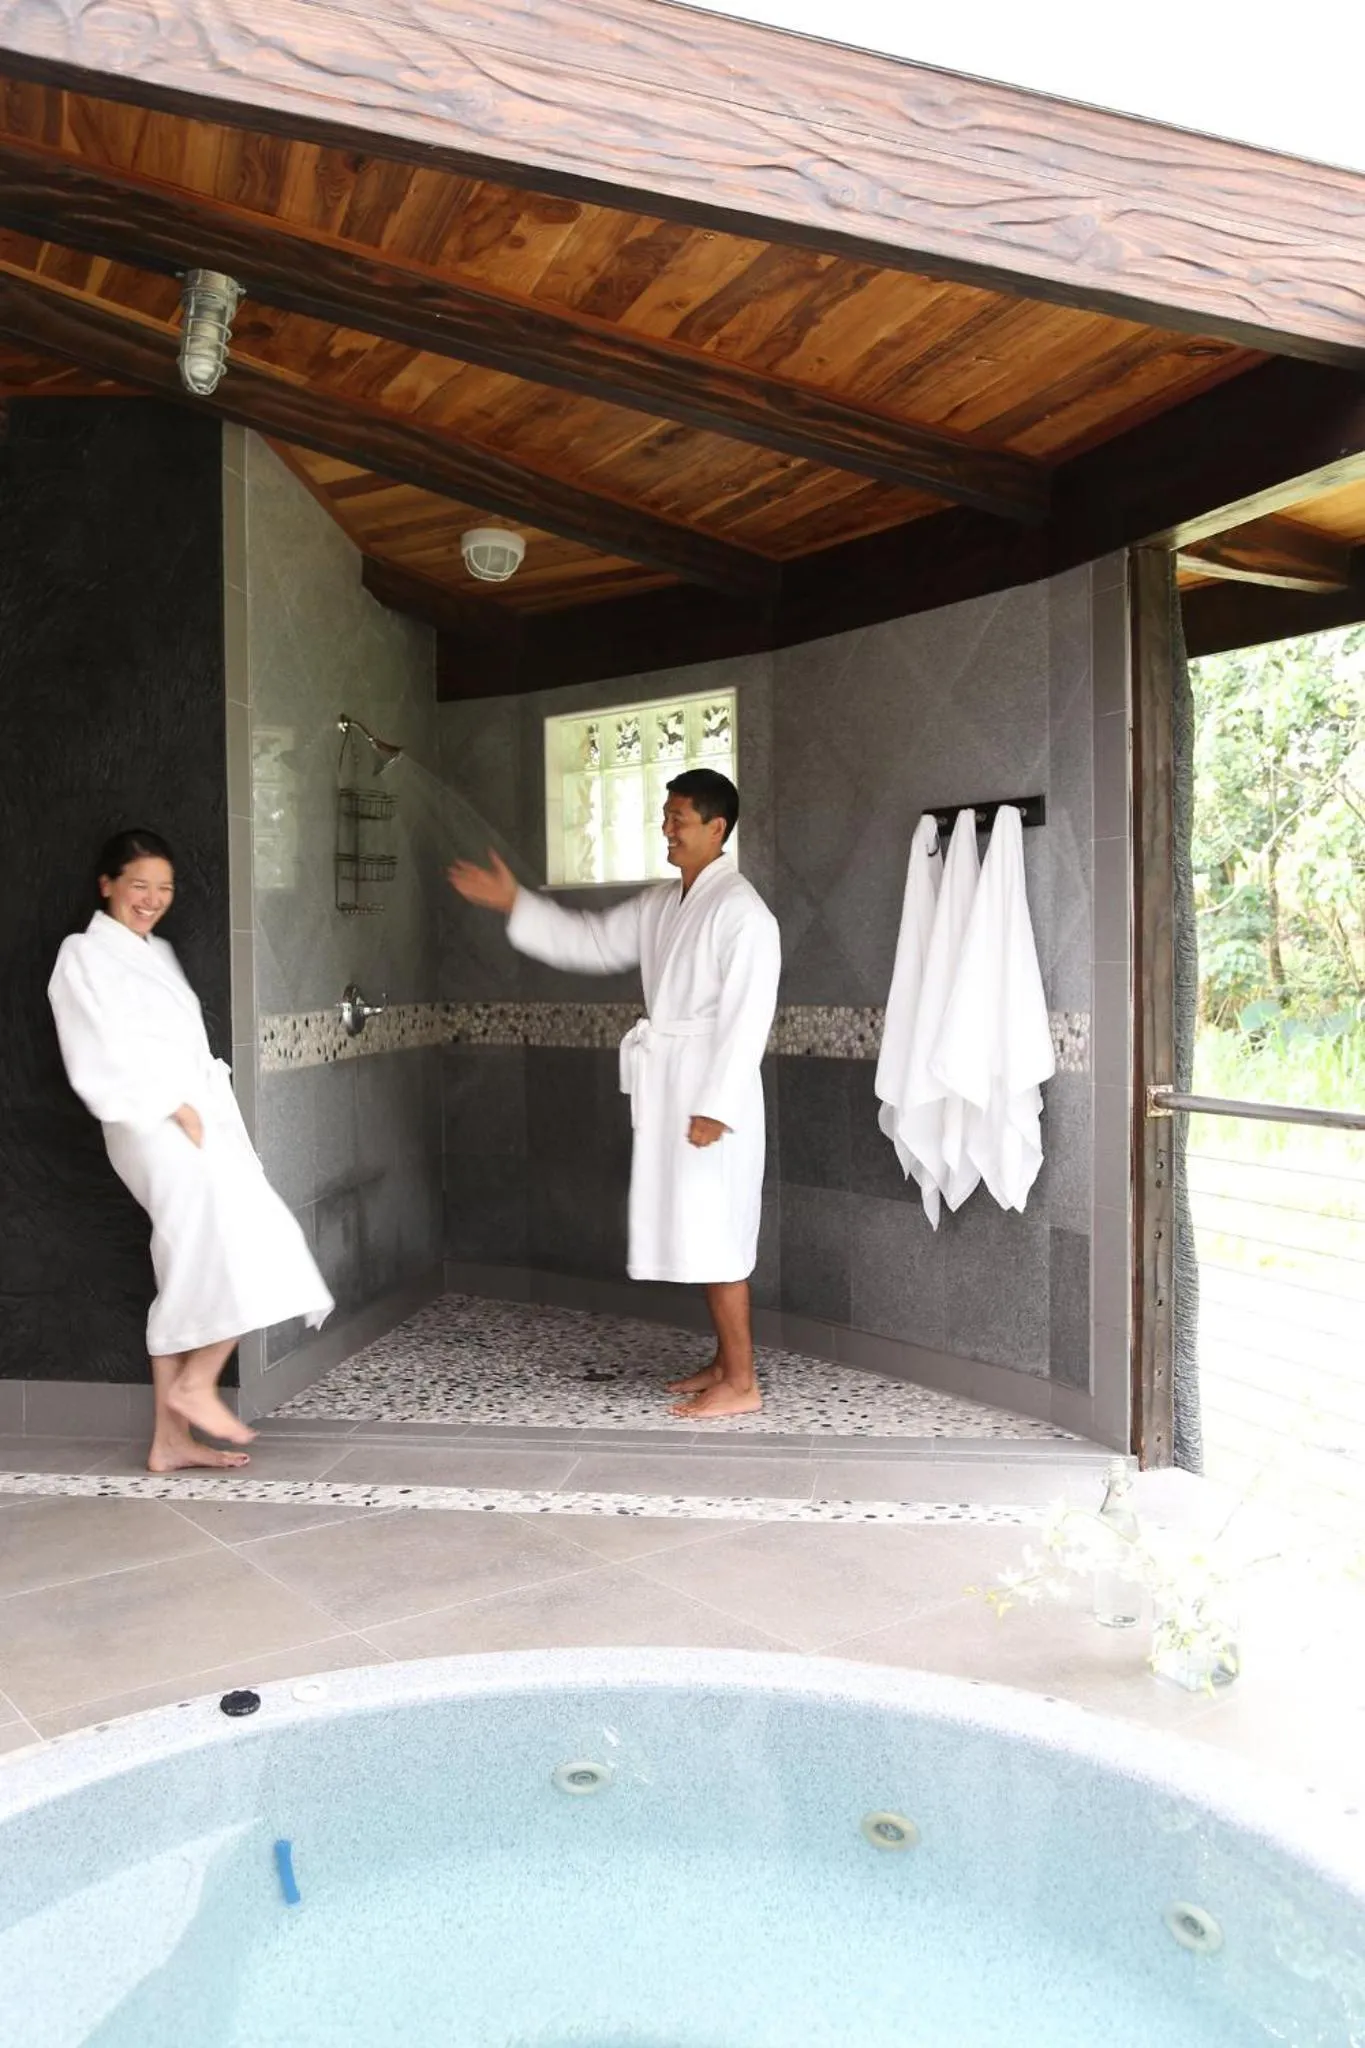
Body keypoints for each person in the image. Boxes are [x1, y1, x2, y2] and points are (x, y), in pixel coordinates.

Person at [449, 768, 781, 1419]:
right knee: (697, 1228)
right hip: (675, 1088)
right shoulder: (665, 903)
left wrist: (714, 1106)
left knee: (717, 1236)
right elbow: (593, 940)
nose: (666, 829)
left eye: (677, 819)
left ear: (716, 828)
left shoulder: (743, 913)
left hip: (714, 1100)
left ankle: (742, 1383)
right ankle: (722, 1363)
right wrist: (514, 902)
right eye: (664, 816)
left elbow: (748, 1018)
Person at [48, 829, 334, 1471]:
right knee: (226, 1241)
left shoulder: (158, 953)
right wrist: (168, 1104)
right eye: (139, 885)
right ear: (108, 885)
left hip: (196, 1120)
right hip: (147, 1123)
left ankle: (170, 1438)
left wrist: (195, 1109)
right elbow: (90, 1048)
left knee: (217, 1247)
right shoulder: (82, 955)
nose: (152, 899)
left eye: (164, 888)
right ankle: (196, 1382)